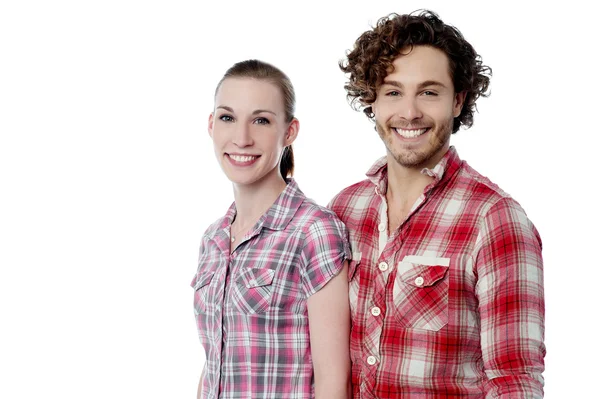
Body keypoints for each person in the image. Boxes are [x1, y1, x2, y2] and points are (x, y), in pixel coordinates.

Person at [328, 10, 545, 398]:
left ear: (458, 101)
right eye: (393, 91)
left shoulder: (495, 219)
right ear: (372, 101)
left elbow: (515, 381)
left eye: (429, 92)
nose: (409, 112)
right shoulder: (343, 210)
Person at [191, 59, 351, 399]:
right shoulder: (213, 238)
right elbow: (213, 364)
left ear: (289, 131)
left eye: (261, 120)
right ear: (211, 125)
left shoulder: (314, 231)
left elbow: (333, 381)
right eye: (228, 117)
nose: (242, 138)